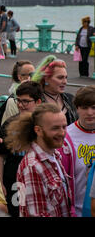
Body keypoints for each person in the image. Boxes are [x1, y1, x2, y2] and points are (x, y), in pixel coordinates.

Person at [5, 103, 75, 217]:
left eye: (64, 126)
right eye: (55, 128)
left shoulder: (55, 155)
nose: (62, 133)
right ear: (38, 130)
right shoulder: (32, 167)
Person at [0, 81, 43, 217]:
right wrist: (0, 183)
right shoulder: (10, 124)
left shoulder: (47, 123)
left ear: (38, 102)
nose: (20, 105)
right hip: (15, 184)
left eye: (26, 101)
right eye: (18, 101)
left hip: (39, 182)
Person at [58, 86, 95, 216]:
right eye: (85, 108)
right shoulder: (66, 137)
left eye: (94, 107)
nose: (90, 113)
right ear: (77, 108)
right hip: (77, 211)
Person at [32, 56, 78, 125]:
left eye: (66, 77)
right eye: (60, 78)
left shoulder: (70, 99)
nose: (65, 82)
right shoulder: (35, 99)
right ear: (46, 79)